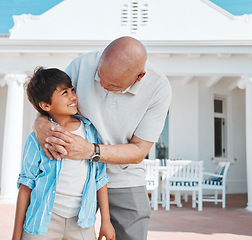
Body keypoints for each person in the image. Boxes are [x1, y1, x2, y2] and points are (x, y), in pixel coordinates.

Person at [33, 36, 172, 240]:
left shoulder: (159, 89)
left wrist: (90, 150)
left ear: (139, 76)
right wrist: (40, 123)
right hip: (77, 174)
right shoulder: (81, 66)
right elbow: (52, 104)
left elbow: (139, 151)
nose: (103, 85)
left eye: (113, 84)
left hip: (124, 176)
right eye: (100, 77)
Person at [12, 67, 115, 240]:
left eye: (72, 90)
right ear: (45, 105)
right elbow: (26, 185)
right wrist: (16, 234)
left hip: (81, 222)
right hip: (42, 222)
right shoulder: (37, 138)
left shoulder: (90, 131)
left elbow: (100, 178)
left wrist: (106, 221)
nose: (73, 96)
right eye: (65, 93)